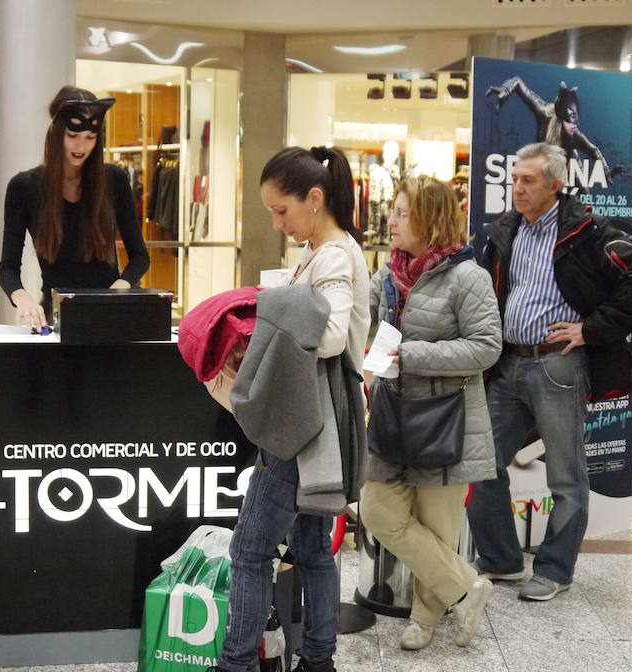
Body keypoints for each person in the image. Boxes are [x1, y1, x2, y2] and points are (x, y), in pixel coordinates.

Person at [467, 142, 632, 602]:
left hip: (558, 366)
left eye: (528, 180)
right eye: (514, 179)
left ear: (555, 184)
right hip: (508, 363)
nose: (517, 188)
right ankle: (501, 559)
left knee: (566, 475)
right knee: (478, 461)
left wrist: (590, 330)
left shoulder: (588, 232)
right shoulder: (506, 231)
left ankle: (555, 569)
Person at [210, 146, 370, 672]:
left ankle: (238, 664)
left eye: (282, 210)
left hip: (302, 424)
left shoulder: (331, 256)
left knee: (251, 551)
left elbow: (326, 337)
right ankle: (319, 660)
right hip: (323, 419)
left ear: (315, 198)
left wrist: (267, 306)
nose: (278, 223)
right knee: (312, 549)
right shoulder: (330, 250)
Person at [358, 175, 502, 650]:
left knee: (438, 525)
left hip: (447, 419)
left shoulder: (468, 276)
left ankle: (424, 619)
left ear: (431, 219)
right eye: (394, 211)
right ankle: (467, 588)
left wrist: (411, 356)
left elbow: (486, 348)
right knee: (378, 510)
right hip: (393, 413)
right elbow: (374, 331)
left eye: (402, 213)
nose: (392, 221)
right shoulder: (387, 274)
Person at [0, 86, 150, 330]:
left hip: (110, 316)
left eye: (90, 138)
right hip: (55, 318)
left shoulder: (114, 180)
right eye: (73, 135)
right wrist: (22, 298)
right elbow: (7, 269)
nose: (82, 146)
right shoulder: (24, 187)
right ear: (55, 133)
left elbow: (140, 257)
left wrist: (117, 289)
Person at [486, 77, 624, 184]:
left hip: (569, 168)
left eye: (575, 122)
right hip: (546, 167)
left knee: (582, 199)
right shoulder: (543, 111)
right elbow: (517, 82)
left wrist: (606, 171)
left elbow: (593, 150)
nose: (573, 126)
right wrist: (505, 90)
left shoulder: (574, 135)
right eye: (569, 122)